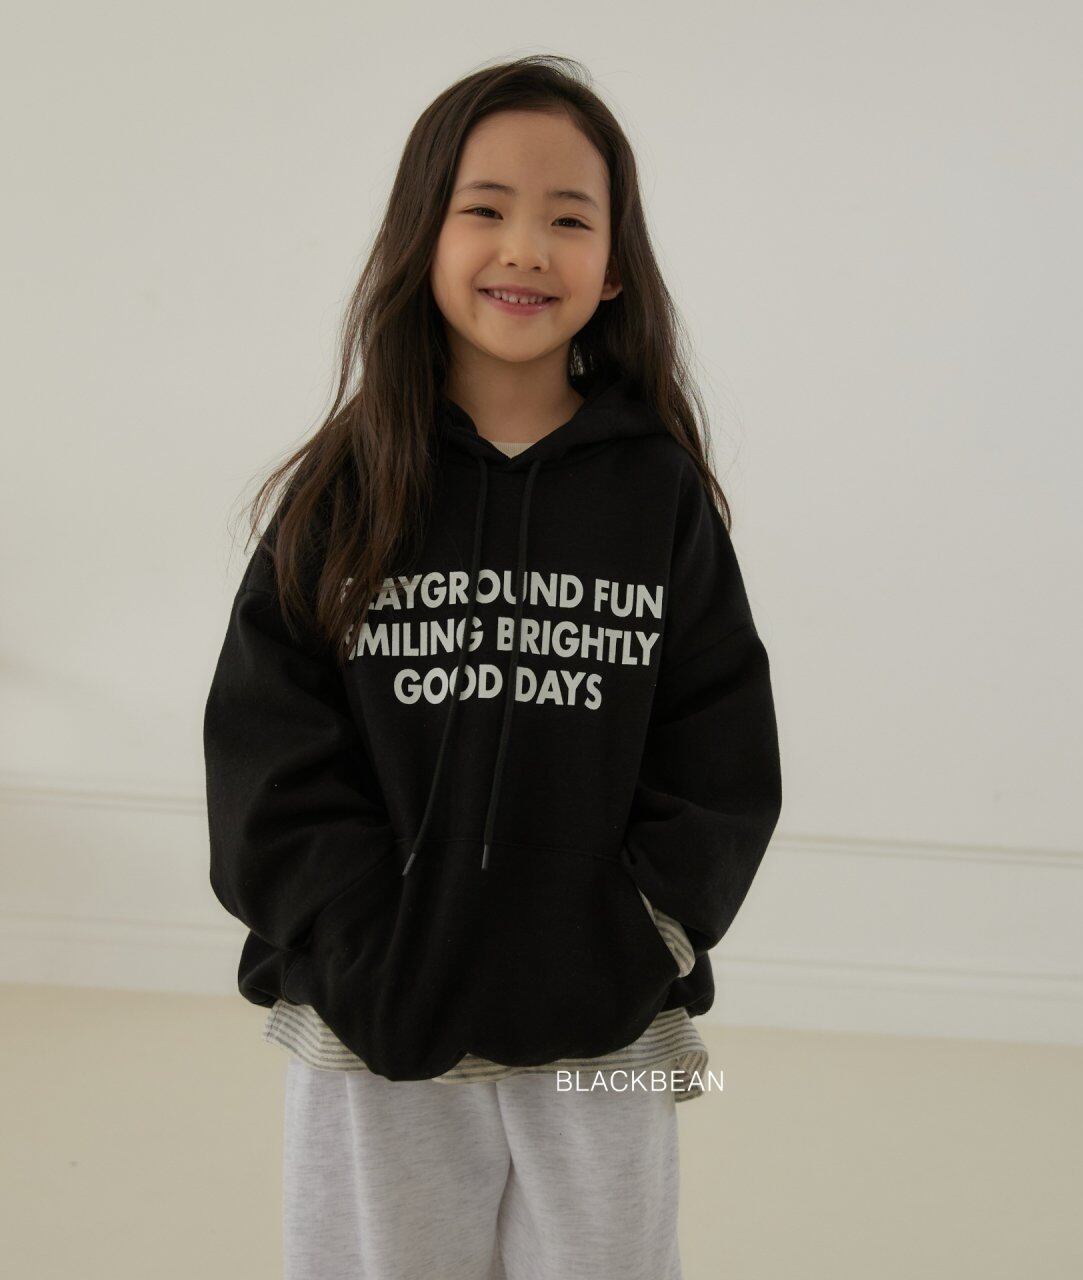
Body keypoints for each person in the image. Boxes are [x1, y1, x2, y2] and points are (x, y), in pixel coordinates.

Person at [203, 53, 782, 1280]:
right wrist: (355, 943)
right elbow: (267, 747)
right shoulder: (344, 487)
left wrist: (637, 935)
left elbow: (718, 749)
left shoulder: (657, 493)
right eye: (485, 208)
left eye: (568, 218)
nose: (525, 246)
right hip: (374, 1023)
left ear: (613, 266)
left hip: (602, 1027)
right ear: (421, 236)